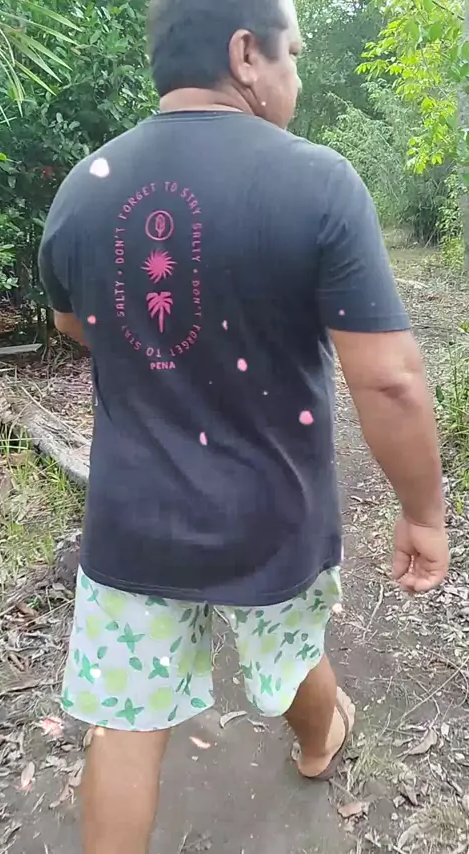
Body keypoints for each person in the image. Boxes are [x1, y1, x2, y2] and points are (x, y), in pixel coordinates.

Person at [38, 0, 449, 851]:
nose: (297, 71)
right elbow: (390, 379)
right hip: (272, 516)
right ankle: (318, 743)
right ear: (245, 56)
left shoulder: (85, 186)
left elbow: (75, 324)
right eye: (292, 51)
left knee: (125, 725)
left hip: (133, 524)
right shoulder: (316, 182)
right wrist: (423, 512)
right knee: (288, 648)